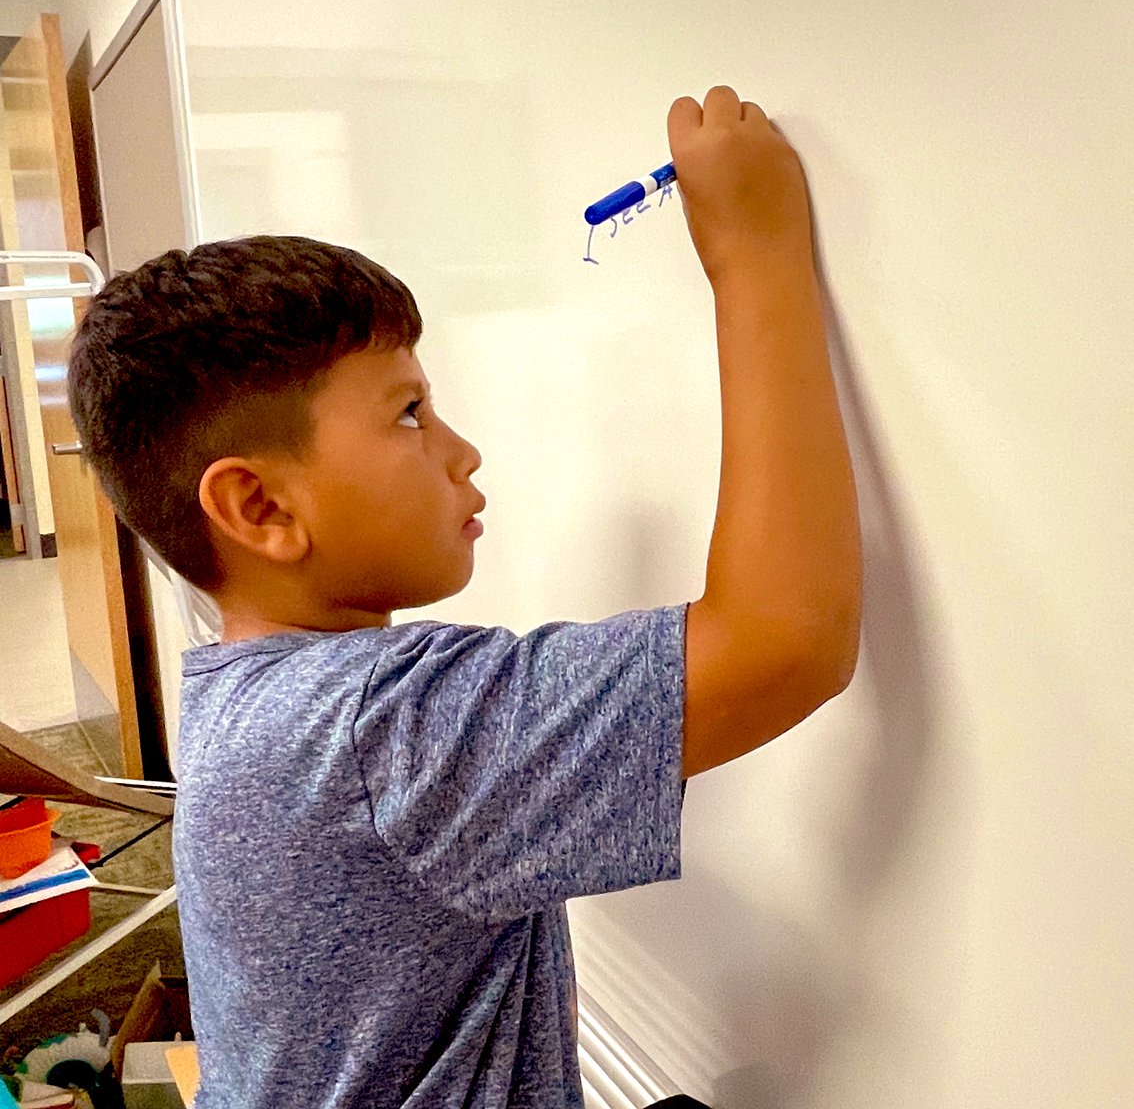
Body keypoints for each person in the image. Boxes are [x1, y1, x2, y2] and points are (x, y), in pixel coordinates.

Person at [68, 86, 861, 1108]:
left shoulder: (242, 695)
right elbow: (788, 639)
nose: (462, 451)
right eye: (409, 415)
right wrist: (756, 257)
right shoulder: (377, 727)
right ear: (259, 505)